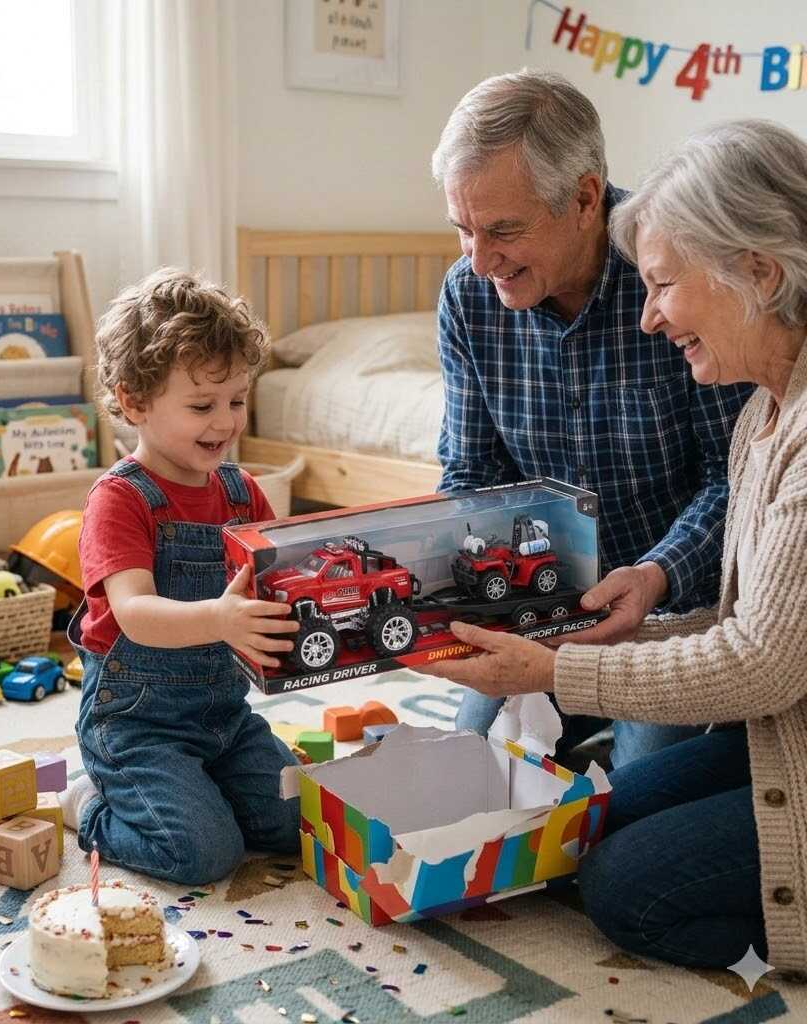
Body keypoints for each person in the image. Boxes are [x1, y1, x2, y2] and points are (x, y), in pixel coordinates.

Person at [426, 119, 807, 973]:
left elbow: (761, 663)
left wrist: (557, 668)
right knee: (580, 826)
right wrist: (574, 631)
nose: (649, 315)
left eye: (666, 286)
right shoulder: (766, 410)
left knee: (623, 890)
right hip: (754, 698)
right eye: (466, 230)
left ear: (760, 274)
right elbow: (752, 626)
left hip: (753, 678)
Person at [430, 70, 753, 766]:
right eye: (463, 229)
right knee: (461, 769)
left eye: (503, 230)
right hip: (535, 604)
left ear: (583, 198)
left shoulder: (678, 278)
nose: (480, 261)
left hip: (672, 614)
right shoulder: (466, 297)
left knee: (633, 807)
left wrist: (656, 574)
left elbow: (738, 479)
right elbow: (472, 473)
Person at [60, 268, 301, 884]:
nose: (225, 422)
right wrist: (220, 619)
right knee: (203, 855)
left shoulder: (242, 491)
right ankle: (88, 804)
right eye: (202, 405)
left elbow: (283, 577)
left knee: (297, 821)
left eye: (237, 401)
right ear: (135, 401)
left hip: (223, 715)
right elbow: (135, 614)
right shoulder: (120, 499)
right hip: (139, 722)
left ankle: (204, 787)